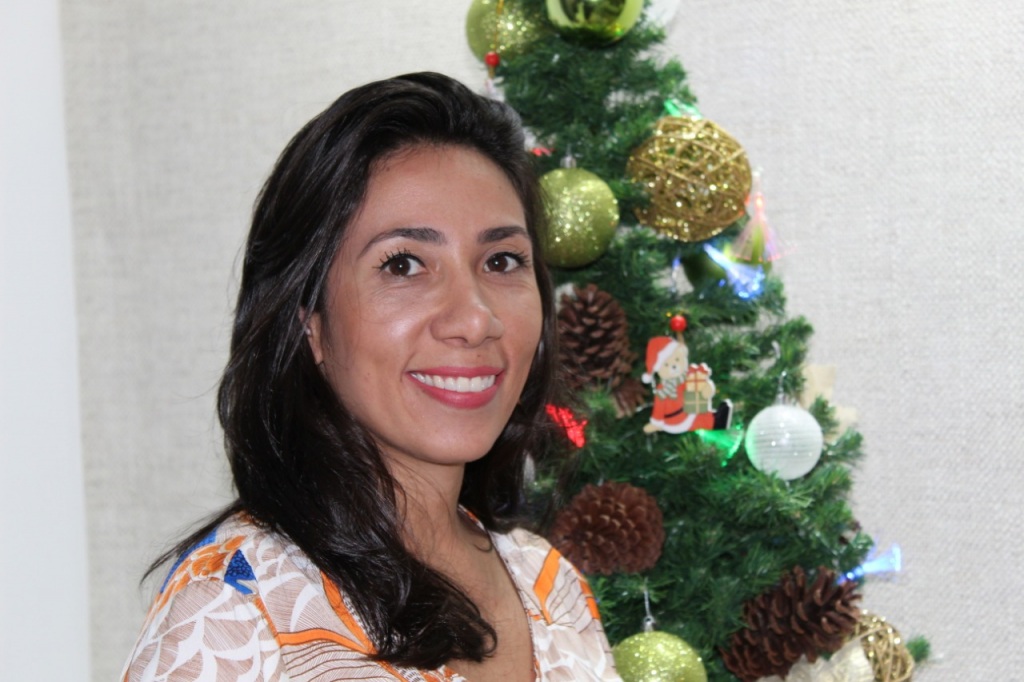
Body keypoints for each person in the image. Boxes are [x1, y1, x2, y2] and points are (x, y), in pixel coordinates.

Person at [122, 72, 621, 682]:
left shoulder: (550, 586)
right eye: (404, 264)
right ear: (310, 322)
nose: (475, 319)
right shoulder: (235, 613)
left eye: (501, 260)